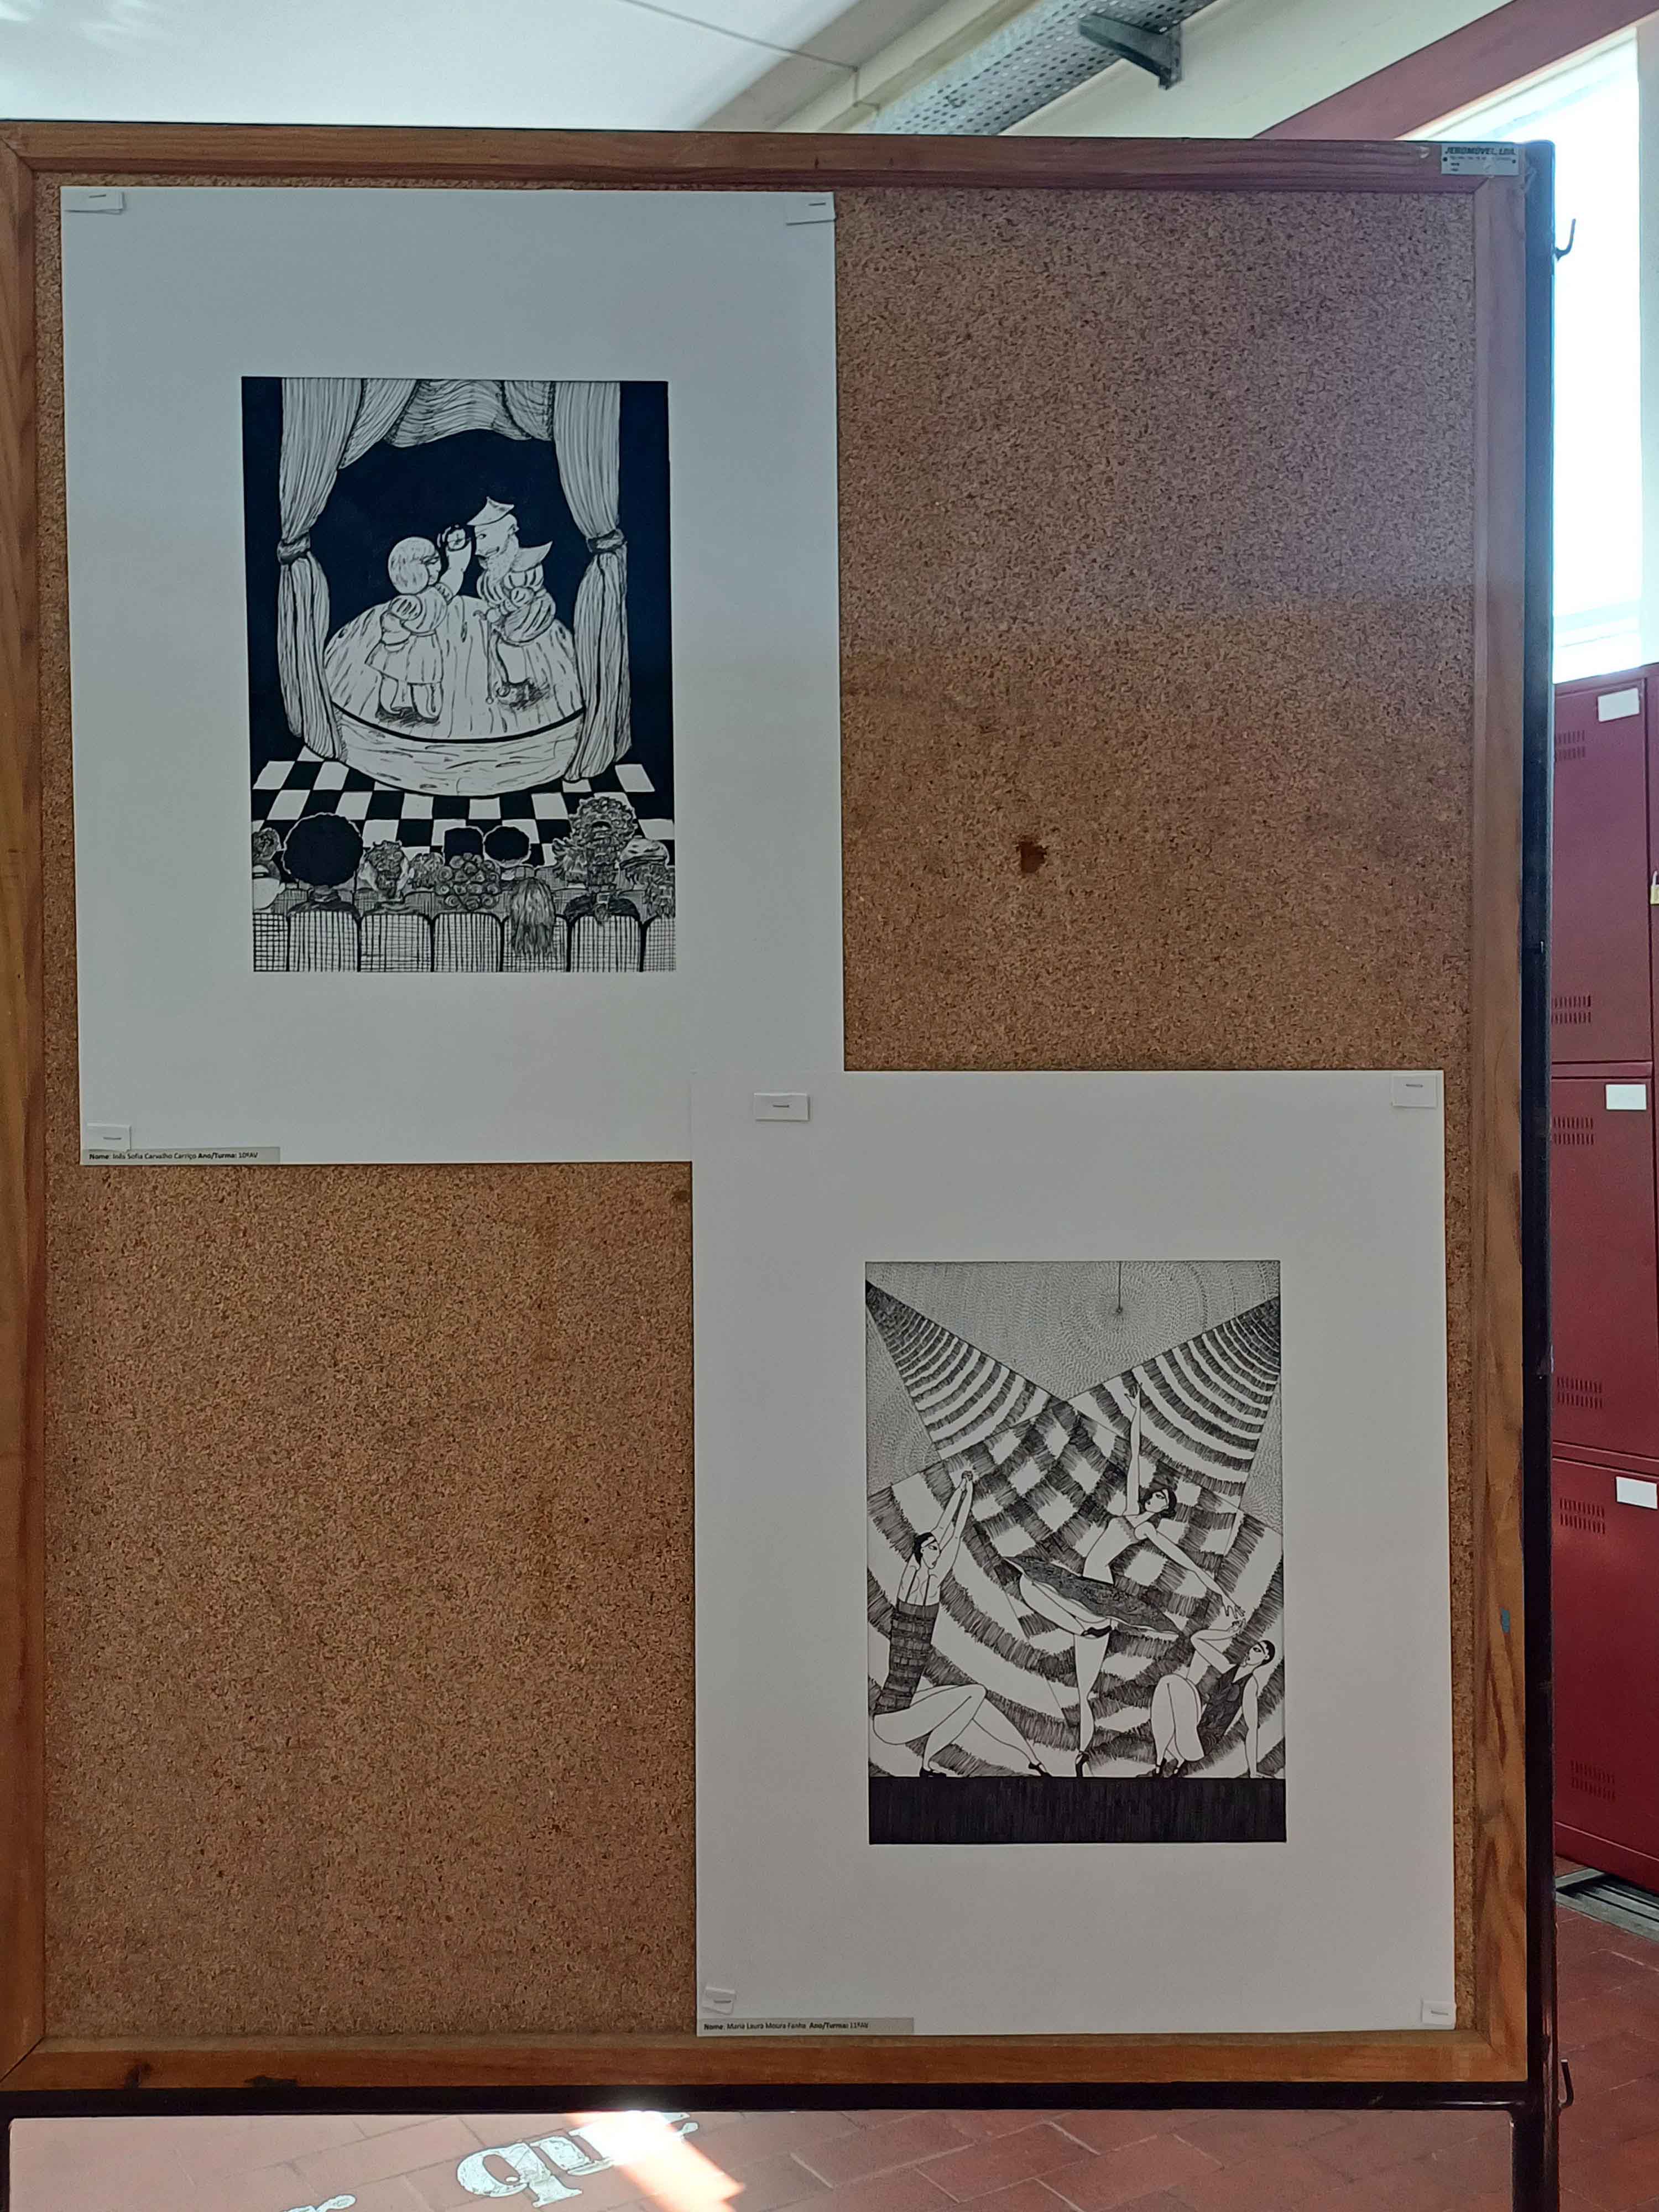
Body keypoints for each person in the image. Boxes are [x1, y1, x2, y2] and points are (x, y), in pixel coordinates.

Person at [872, 1474, 1044, 1777]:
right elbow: (945, 1529)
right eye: (931, 1548)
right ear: (920, 1553)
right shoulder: (916, 1582)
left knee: (973, 1699)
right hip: (892, 1720)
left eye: (937, 1549)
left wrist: (966, 1491)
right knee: (973, 1694)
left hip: (897, 1710)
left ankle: (931, 1766)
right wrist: (962, 1493)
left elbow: (950, 1534)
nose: (937, 1550)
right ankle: (926, 1766)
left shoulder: (927, 1582)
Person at [1149, 1597, 1276, 1778]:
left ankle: (1165, 1762)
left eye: (1258, 1650)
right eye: (1253, 1647)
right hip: (1188, 1732)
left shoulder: (1250, 1686)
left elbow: (1252, 1729)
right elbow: (1197, 1639)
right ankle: (1161, 1761)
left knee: (1174, 1683)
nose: (1251, 1651)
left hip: (1198, 1746)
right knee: (1168, 1683)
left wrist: (1253, 1772)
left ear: (1265, 1659)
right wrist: (1228, 1633)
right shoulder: (1227, 1668)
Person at [366, 529, 469, 722]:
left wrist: (457, 554)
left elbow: (454, 577)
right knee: (415, 680)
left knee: (407, 679)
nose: (438, 567)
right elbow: (390, 623)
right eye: (431, 563)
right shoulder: (413, 601)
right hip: (413, 647)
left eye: (436, 561)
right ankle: (419, 712)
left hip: (418, 646)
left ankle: (416, 711)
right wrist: (395, 634)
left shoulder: (434, 594)